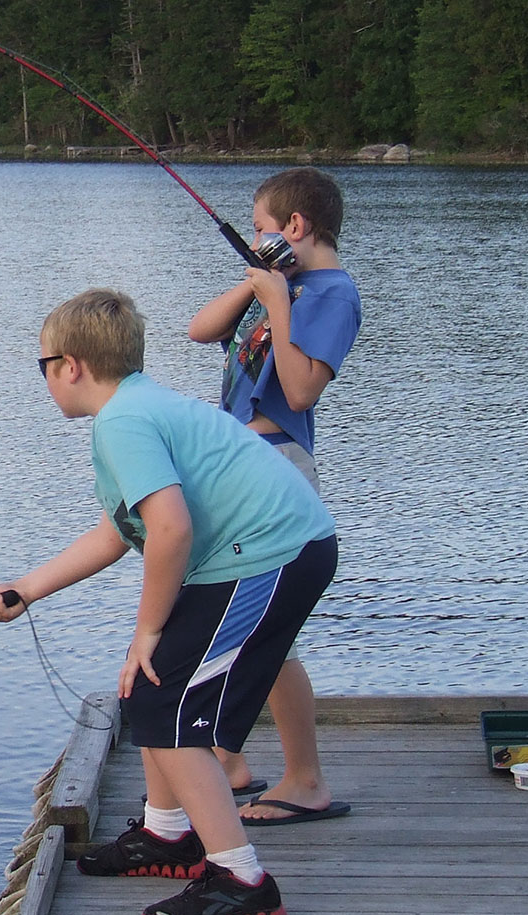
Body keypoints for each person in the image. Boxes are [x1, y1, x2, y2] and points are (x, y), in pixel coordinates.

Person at [0, 288, 338, 915]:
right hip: (265, 549)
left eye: (43, 366)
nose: (46, 380)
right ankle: (166, 833)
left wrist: (147, 630)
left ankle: (241, 884)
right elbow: (120, 533)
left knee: (168, 704)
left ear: (72, 365)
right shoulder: (133, 408)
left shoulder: (123, 421)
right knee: (148, 690)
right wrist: (25, 590)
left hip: (274, 554)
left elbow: (170, 530)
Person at [187, 166, 361, 825]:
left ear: (296, 227)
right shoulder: (277, 284)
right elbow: (200, 331)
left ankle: (301, 778)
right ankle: (239, 764)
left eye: (262, 226)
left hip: (277, 467)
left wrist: (281, 303)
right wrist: (256, 283)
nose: (256, 237)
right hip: (240, 464)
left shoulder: (332, 295)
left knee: (265, 626)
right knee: (269, 634)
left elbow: (301, 390)